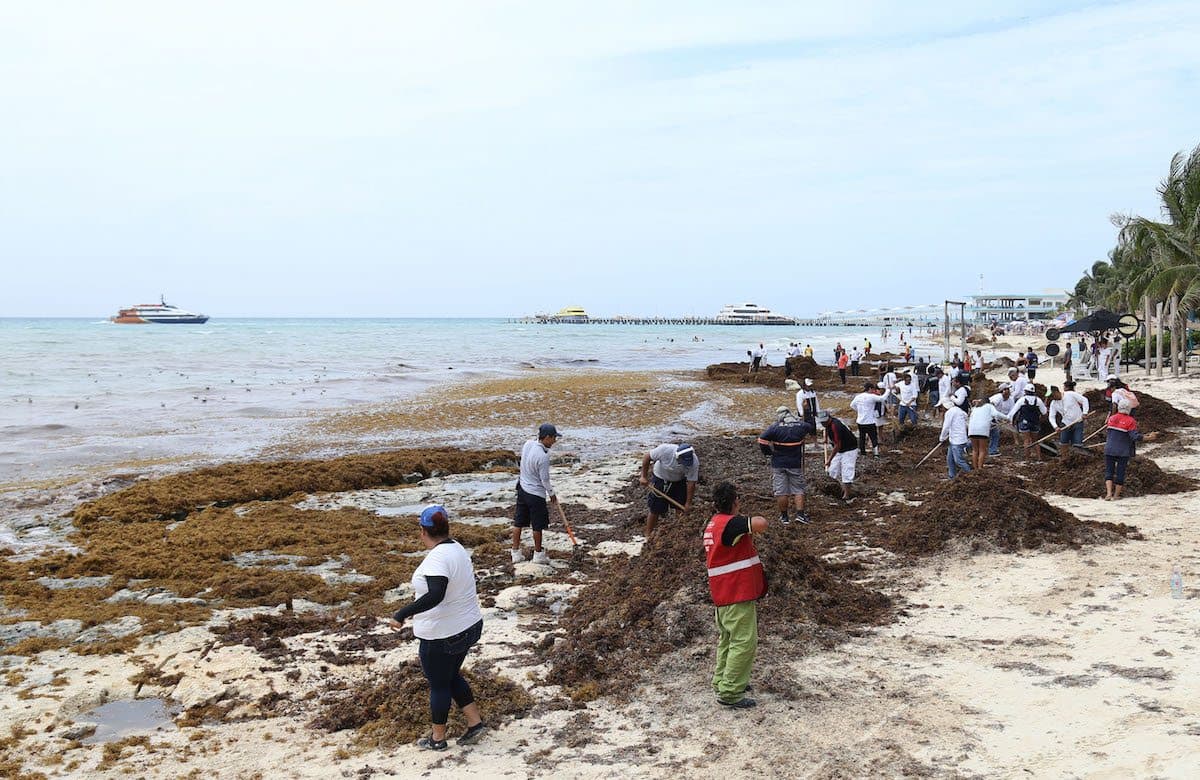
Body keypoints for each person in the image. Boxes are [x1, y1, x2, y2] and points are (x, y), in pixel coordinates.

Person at [390, 505, 486, 750]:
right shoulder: (457, 549)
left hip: (443, 634)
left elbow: (436, 595)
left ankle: (437, 739)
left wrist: (403, 613)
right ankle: (475, 724)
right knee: (451, 676)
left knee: (439, 685)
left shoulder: (437, 559)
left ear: (423, 531)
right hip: (469, 626)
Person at [703, 482, 768, 709]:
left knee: (727, 640)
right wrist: (744, 519)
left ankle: (723, 680)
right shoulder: (730, 524)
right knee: (743, 642)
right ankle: (730, 691)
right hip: (736, 593)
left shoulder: (712, 524)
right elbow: (761, 523)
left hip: (721, 594)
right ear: (735, 501)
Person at [512, 423, 560, 564]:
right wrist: (552, 494)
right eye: (553, 438)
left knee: (518, 522)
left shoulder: (528, 444)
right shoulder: (543, 457)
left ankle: (515, 552)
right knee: (537, 525)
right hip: (535, 494)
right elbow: (544, 480)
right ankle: (538, 555)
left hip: (522, 488)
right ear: (546, 437)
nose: (554, 441)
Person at [758, 407, 814, 524]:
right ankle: (800, 515)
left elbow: (762, 439)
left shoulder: (775, 427)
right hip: (795, 463)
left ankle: (784, 517)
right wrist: (807, 412)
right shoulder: (800, 426)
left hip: (778, 463)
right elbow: (810, 426)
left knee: (781, 491)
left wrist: (768, 452)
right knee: (798, 489)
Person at [639, 443, 699, 536]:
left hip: (679, 482)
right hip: (660, 478)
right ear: (677, 456)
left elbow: (691, 482)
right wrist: (643, 477)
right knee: (655, 509)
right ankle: (648, 534)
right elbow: (647, 457)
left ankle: (680, 533)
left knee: (680, 508)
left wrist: (688, 503)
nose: (685, 464)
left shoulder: (694, 462)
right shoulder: (665, 450)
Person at [1103, 399, 1142, 500]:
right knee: (1120, 472)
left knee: (1109, 471)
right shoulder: (1131, 421)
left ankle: (1108, 494)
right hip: (1123, 450)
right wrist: (1148, 437)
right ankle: (1116, 495)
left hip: (1109, 449)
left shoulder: (1111, 418)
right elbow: (1134, 437)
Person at [818, 411, 858, 501]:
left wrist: (829, 459)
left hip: (849, 448)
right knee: (832, 470)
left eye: (824, 422)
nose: (823, 423)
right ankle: (833, 490)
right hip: (839, 449)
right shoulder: (827, 424)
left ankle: (847, 494)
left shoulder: (836, 426)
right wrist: (826, 438)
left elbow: (837, 446)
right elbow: (826, 428)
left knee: (847, 470)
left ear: (829, 418)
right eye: (822, 422)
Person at [1049, 381, 1090, 450]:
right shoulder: (1053, 403)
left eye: (1052, 396)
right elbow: (1051, 416)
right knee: (1063, 443)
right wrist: (1055, 427)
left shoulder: (1070, 394)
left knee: (1077, 444)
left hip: (1078, 421)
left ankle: (1077, 456)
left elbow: (1084, 400)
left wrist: (1085, 413)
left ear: (1056, 392)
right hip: (1065, 424)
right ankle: (1064, 458)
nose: (1051, 398)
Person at [1008, 388, 1047, 458]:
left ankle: (1027, 458)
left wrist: (1011, 421)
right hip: (1035, 423)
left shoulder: (1022, 400)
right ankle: (1039, 457)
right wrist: (1041, 420)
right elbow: (1044, 412)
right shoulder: (1038, 400)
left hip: (1024, 423)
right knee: (1035, 441)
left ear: (1025, 391)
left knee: (1026, 440)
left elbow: (1013, 412)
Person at [967, 397, 1004, 470]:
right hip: (982, 431)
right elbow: (996, 414)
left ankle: (975, 467)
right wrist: (1008, 418)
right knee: (982, 450)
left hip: (972, 430)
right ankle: (980, 468)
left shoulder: (975, 408)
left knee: (975, 450)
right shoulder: (989, 406)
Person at [939, 398, 971, 478]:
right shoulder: (958, 410)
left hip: (957, 441)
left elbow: (946, 426)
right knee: (950, 460)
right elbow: (966, 417)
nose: (941, 409)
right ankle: (952, 476)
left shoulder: (950, 412)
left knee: (959, 461)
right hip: (956, 439)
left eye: (941, 407)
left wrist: (942, 438)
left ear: (944, 406)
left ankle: (971, 474)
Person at [850, 382, 883, 457]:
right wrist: (888, 391)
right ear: (870, 389)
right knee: (873, 437)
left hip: (860, 421)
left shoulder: (858, 396)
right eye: (872, 389)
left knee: (862, 437)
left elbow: (852, 405)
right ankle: (876, 454)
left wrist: (859, 410)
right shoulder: (871, 396)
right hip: (870, 421)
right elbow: (882, 399)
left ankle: (863, 453)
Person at [988, 382, 1016, 455]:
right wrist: (1004, 418)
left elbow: (1012, 411)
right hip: (990, 418)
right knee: (983, 435)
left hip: (997, 420)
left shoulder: (1011, 400)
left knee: (994, 434)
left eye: (1008, 389)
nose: (1007, 391)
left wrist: (1009, 419)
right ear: (1002, 391)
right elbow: (991, 408)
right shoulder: (997, 397)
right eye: (1005, 389)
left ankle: (992, 450)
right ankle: (966, 446)